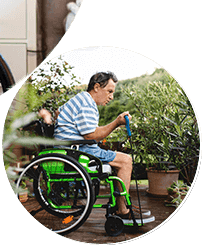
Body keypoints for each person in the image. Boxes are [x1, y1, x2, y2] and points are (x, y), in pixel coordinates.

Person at [54, 72, 154, 224]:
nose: (111, 97)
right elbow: (91, 135)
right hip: (77, 151)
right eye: (109, 91)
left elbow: (58, 112)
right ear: (96, 87)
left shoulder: (80, 99)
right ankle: (123, 211)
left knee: (119, 161)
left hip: (71, 149)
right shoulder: (87, 103)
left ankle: (121, 205)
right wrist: (116, 123)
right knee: (126, 161)